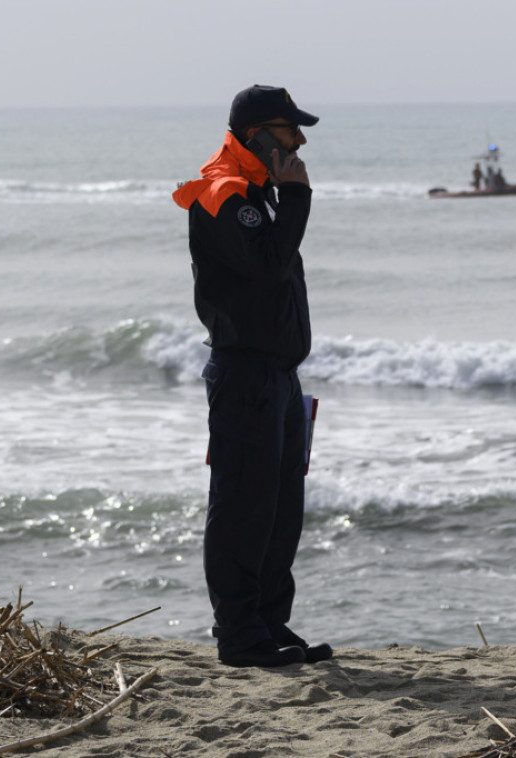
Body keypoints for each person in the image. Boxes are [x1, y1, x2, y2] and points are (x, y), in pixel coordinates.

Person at [172, 85, 332, 668]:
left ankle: (268, 624)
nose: (301, 141)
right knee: (243, 506)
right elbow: (268, 265)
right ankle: (239, 637)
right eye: (291, 131)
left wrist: (285, 196)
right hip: (244, 375)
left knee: (281, 508)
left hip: (280, 377)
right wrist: (298, 197)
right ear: (258, 134)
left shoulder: (259, 193)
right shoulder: (223, 192)